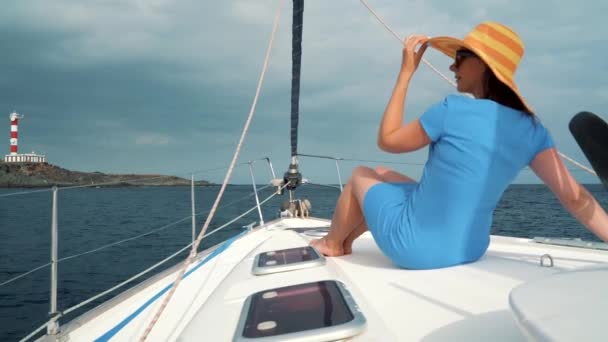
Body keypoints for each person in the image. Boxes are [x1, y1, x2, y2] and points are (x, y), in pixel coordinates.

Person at [310, 22, 608, 269]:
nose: (452, 66)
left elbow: (387, 140)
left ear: (482, 64)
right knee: (384, 172)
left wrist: (405, 75)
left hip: (414, 250)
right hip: (471, 248)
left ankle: (334, 243)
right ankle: (347, 238)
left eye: (461, 56)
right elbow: (575, 198)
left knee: (362, 174)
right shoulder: (533, 129)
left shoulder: (452, 109)